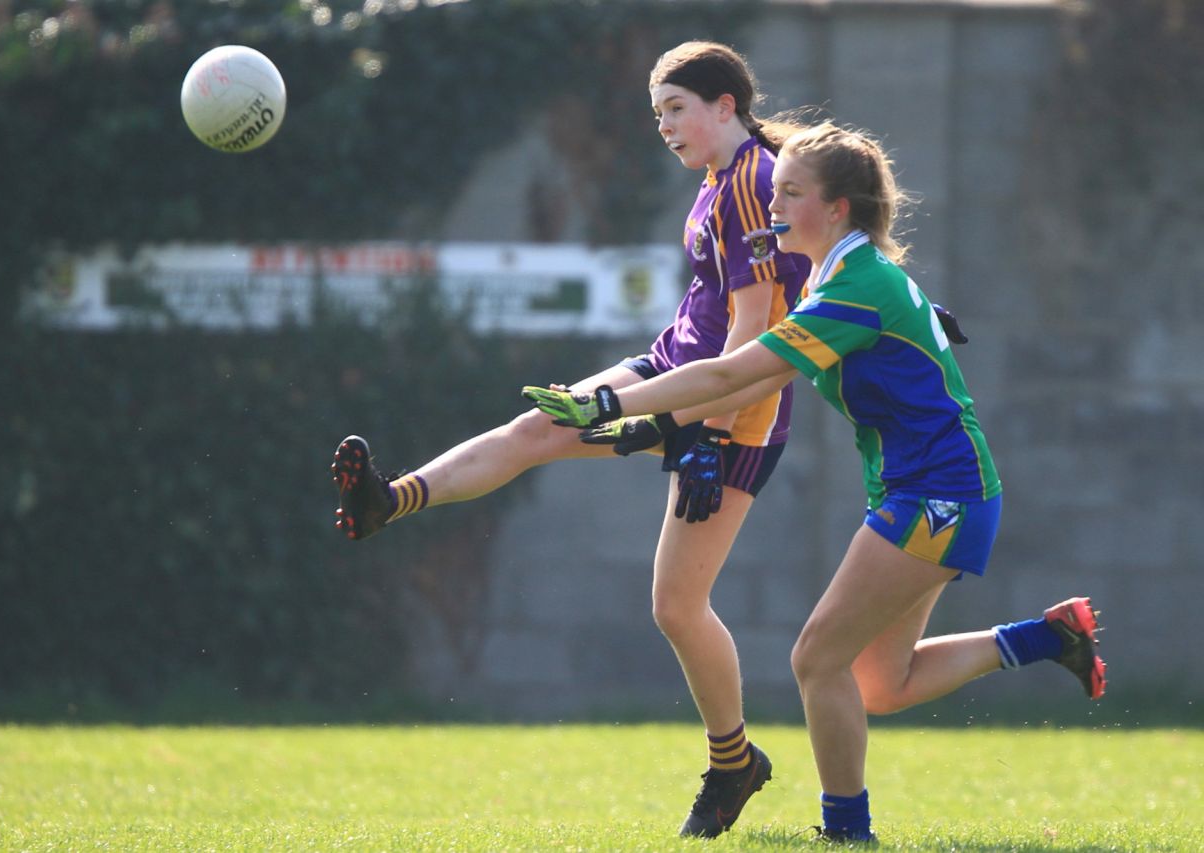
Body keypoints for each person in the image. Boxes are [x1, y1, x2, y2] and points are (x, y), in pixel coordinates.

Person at [523, 121, 1107, 844]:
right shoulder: (840, 275)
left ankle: (846, 834)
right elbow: (747, 375)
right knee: (878, 684)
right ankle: (1048, 638)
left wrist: (609, 400)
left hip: (938, 494)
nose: (773, 207)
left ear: (837, 209)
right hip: (935, 491)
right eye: (774, 191)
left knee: (815, 659)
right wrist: (644, 428)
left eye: (791, 193)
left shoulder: (854, 286)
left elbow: (737, 372)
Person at [332, 41, 809, 838]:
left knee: (678, 606)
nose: (663, 125)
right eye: (656, 112)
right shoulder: (717, 182)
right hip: (670, 375)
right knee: (533, 429)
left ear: (725, 104)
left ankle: (736, 762)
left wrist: (706, 435)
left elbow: (758, 337)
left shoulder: (756, 180)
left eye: (676, 108)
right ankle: (391, 498)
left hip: (731, 412)